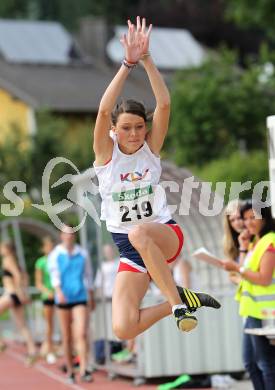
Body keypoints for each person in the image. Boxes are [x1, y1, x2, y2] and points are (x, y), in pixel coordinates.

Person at [93, 16, 220, 341]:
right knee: (123, 328)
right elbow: (104, 110)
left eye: (139, 127)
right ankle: (180, 300)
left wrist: (147, 60)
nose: (134, 134)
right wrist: (127, 64)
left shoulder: (150, 149)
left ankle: (176, 305)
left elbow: (163, 103)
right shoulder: (106, 157)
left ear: (146, 129)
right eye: (126, 128)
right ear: (114, 131)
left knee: (138, 232)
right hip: (130, 251)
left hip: (164, 237)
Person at [222, 202, 275, 389]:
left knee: (266, 363)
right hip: (252, 310)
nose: (248, 222)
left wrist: (237, 267)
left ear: (265, 218)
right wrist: (243, 248)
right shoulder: (255, 242)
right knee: (251, 363)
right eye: (246, 218)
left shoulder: (270, 241)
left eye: (254, 217)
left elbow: (264, 279)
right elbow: (241, 275)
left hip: (265, 312)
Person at [48, 226, 94, 384]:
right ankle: (69, 369)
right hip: (63, 299)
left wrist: (91, 295)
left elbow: (88, 275)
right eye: (66, 234)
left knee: (81, 333)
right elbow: (54, 275)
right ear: (61, 236)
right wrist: (59, 291)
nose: (68, 236)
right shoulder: (55, 255)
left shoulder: (82, 253)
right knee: (66, 336)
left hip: (80, 296)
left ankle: (84, 368)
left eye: (71, 233)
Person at [0, 241, 37, 365]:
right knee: (22, 325)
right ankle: (32, 350)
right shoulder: (15, 260)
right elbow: (24, 276)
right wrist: (23, 292)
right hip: (14, 295)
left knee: (22, 324)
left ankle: (1, 343)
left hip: (11, 294)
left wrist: (20, 292)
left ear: (7, 249)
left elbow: (17, 275)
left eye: (2, 247)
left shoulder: (8, 259)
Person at [35, 236, 56, 364]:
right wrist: (47, 292)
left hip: (59, 295)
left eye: (51, 246)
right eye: (48, 247)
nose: (50, 249)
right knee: (49, 325)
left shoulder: (58, 259)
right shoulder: (41, 262)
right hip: (47, 296)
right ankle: (49, 351)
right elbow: (38, 283)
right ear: (43, 249)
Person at [223, 199, 245, 284]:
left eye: (239, 218)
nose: (237, 223)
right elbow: (232, 275)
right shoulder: (228, 242)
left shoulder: (258, 237)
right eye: (232, 220)